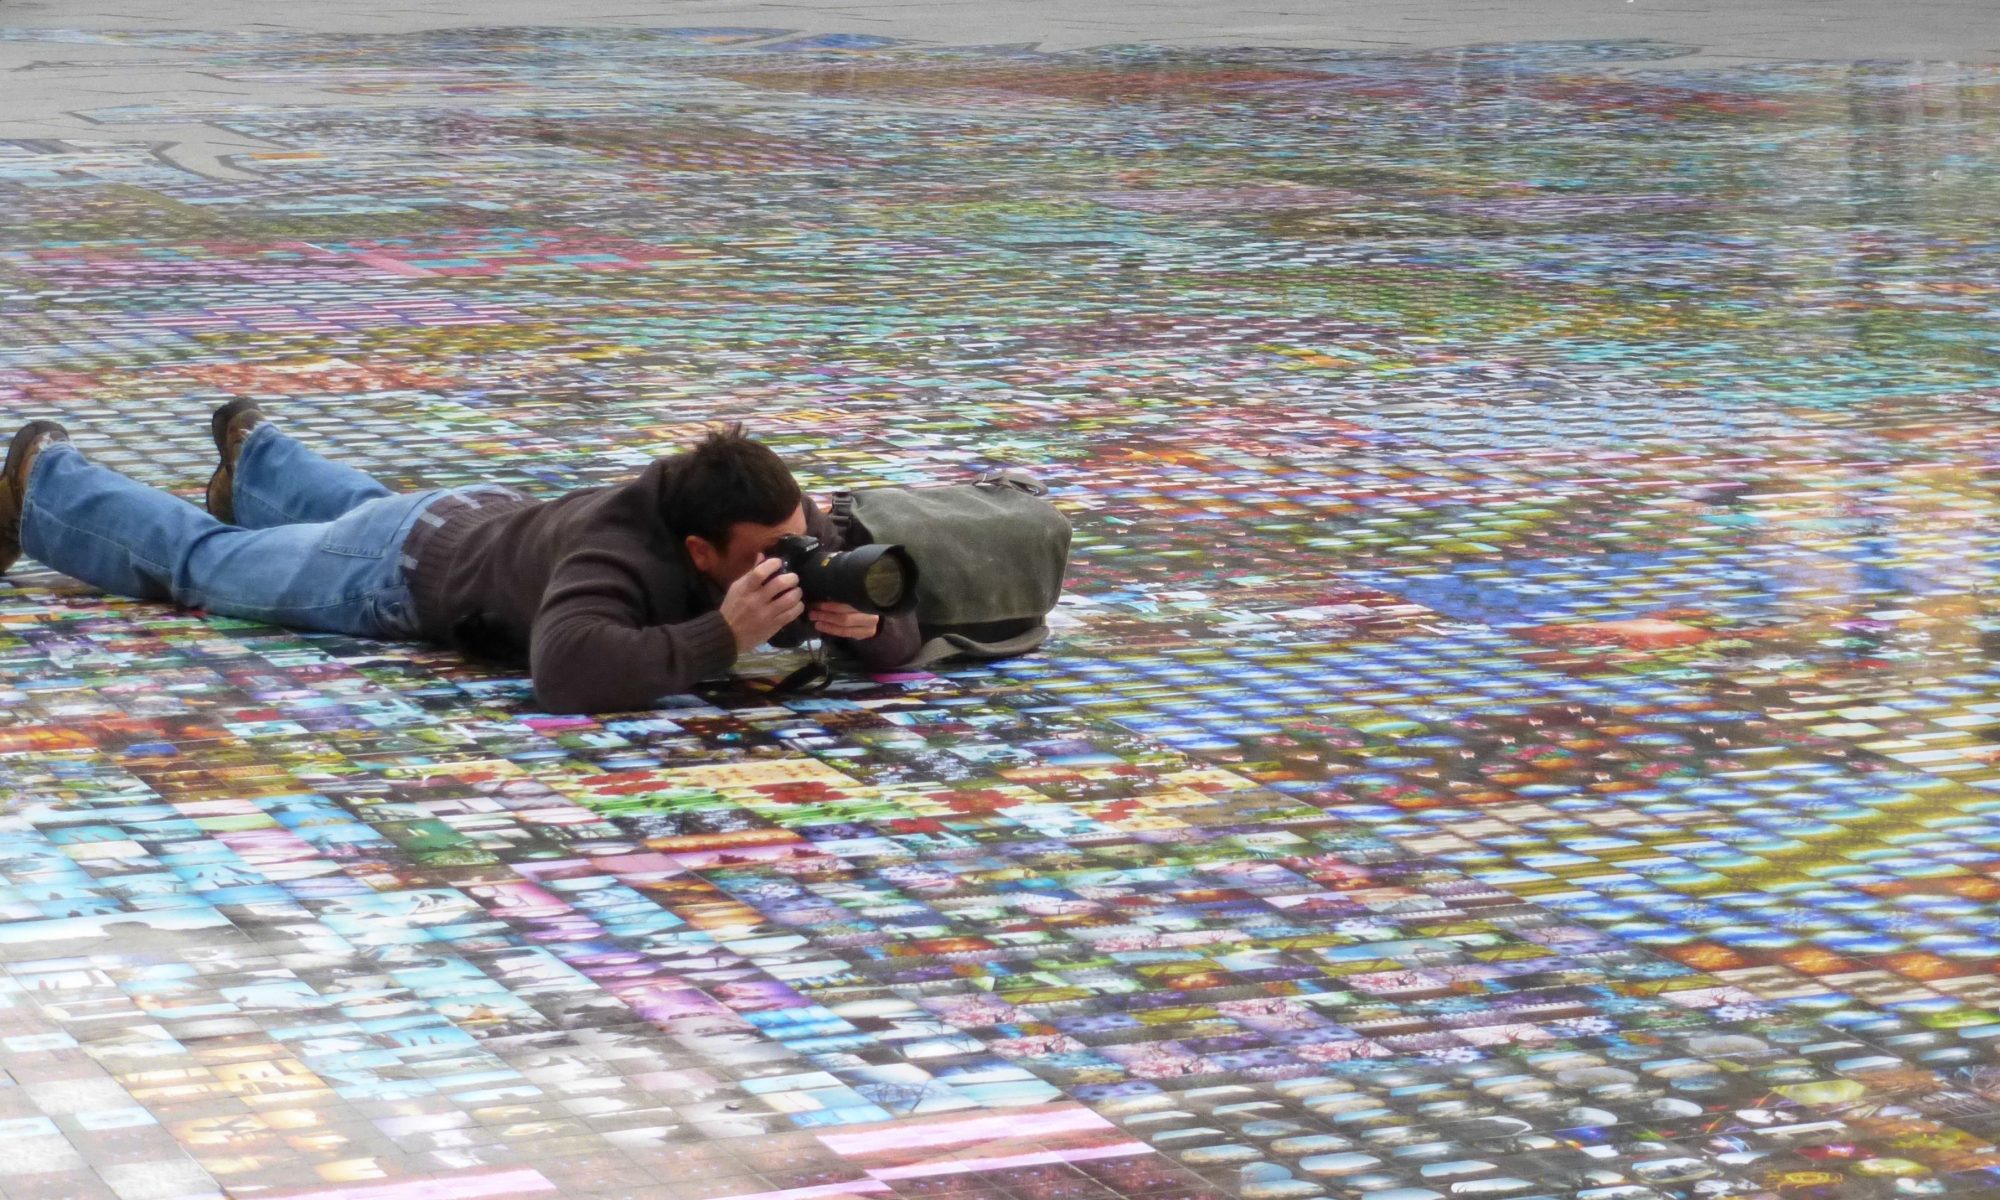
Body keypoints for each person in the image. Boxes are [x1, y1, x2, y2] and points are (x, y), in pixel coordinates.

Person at [0, 405, 919, 713]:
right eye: (767, 557)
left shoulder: (778, 520)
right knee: (209, 567)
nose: (796, 562)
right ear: (695, 550)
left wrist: (870, 626)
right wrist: (720, 636)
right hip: (402, 566)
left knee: (358, 510)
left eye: (800, 539)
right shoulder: (618, 548)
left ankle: (262, 460)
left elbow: (906, 625)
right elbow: (566, 671)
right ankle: (44, 486)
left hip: (478, 519)